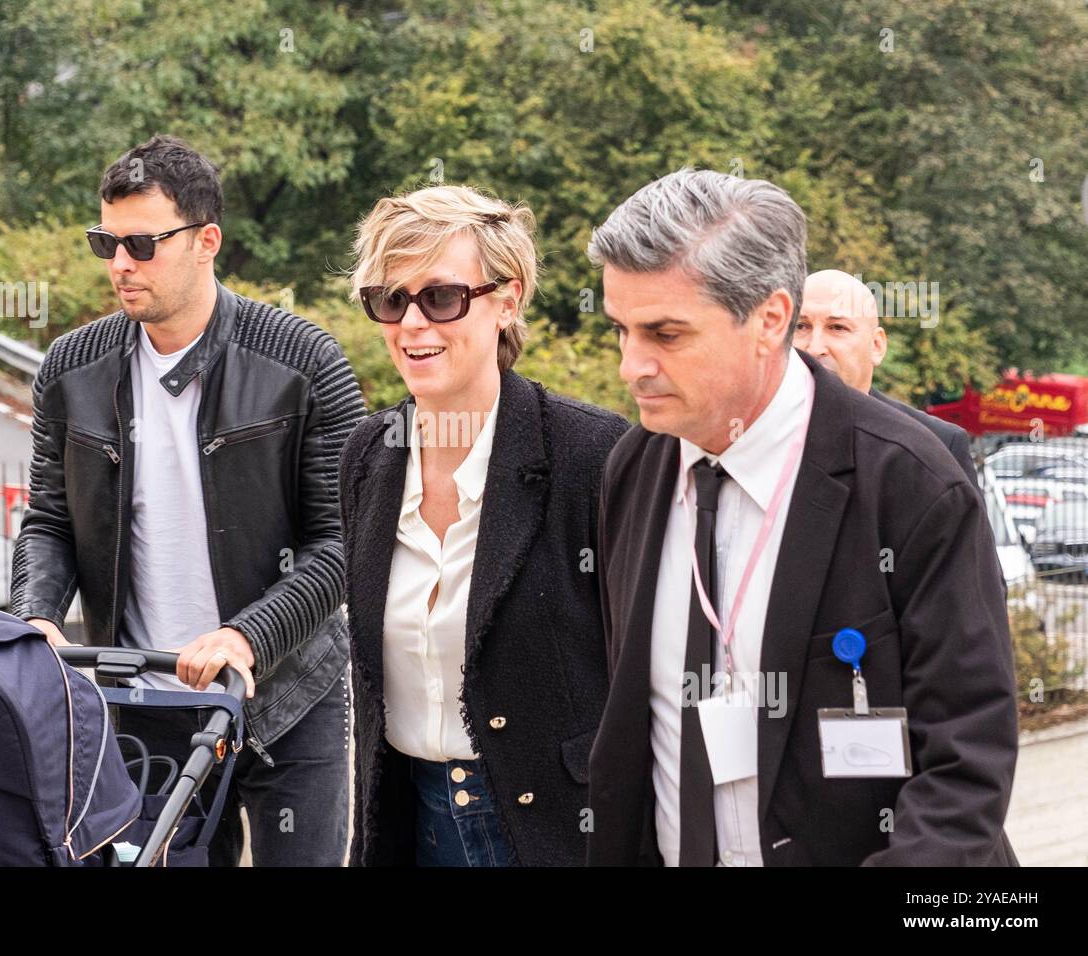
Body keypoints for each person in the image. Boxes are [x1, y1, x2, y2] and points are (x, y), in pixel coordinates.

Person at [585, 169, 1019, 866]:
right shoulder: (632, 468)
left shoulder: (909, 481)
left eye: (665, 333)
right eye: (621, 330)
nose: (631, 366)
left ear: (770, 319)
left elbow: (965, 760)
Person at [10, 134, 366, 866]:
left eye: (141, 244)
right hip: (145, 706)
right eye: (105, 241)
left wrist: (246, 635)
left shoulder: (304, 360)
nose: (119, 264)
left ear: (207, 240)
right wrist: (34, 617)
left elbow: (345, 542)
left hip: (290, 697)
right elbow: (49, 520)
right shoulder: (69, 369)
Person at [339, 185, 627, 865]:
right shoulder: (366, 455)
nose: (413, 323)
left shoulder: (591, 454)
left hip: (551, 830)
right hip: (409, 821)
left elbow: (644, 666)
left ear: (508, 300)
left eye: (441, 297)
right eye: (389, 298)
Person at [796, 268, 977, 487]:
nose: (815, 348)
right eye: (800, 326)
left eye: (837, 327)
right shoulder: (753, 434)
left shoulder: (937, 446)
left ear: (877, 346)